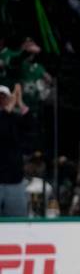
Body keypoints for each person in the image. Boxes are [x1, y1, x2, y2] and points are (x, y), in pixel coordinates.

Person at [0, 85, 28, 216]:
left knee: (17, 227)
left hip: (14, 181)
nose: (2, 100)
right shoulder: (6, 117)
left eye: (4, 97)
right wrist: (8, 110)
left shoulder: (15, 118)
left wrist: (20, 103)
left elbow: (31, 126)